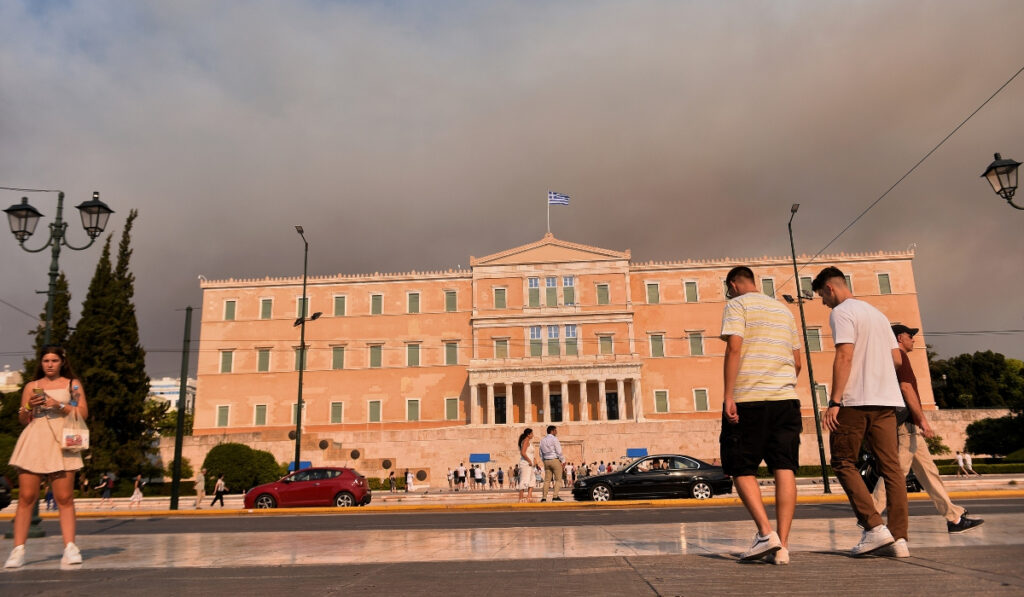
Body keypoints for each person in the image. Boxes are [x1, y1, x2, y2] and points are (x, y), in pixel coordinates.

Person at [813, 266, 909, 557]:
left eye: (821, 296)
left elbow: (844, 354)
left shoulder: (842, 312)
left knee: (843, 461)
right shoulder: (878, 315)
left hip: (855, 401)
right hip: (886, 401)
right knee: (892, 469)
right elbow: (896, 359)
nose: (823, 303)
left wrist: (835, 401)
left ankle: (874, 528)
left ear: (830, 288)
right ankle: (900, 539)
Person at [719, 266, 803, 564]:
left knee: (741, 467)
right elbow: (797, 361)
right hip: (786, 399)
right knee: (785, 468)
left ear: (734, 284)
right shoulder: (784, 311)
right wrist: (781, 384)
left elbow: (734, 349)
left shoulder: (736, 304)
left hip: (749, 399)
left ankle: (766, 534)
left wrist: (729, 395)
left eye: (729, 288)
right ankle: (782, 547)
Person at [871, 325, 984, 534]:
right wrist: (923, 420)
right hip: (906, 426)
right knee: (895, 473)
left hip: (908, 426)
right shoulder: (900, 358)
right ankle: (869, 515)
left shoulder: (891, 359)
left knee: (929, 473)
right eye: (909, 336)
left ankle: (954, 518)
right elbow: (906, 389)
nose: (913, 339)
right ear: (899, 337)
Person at [5, 345, 88, 569]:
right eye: (45, 361)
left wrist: (58, 405)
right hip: (35, 438)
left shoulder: (73, 384)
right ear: (40, 363)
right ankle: (18, 550)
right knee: (26, 497)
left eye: (54, 360)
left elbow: (82, 412)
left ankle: (70, 547)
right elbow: (23, 419)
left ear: (62, 362)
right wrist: (27, 407)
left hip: (63, 441)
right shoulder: (32, 386)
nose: (49, 364)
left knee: (64, 498)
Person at [539, 425, 566, 502]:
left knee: (547, 480)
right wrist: (563, 461)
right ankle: (555, 496)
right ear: (552, 431)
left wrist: (544, 460)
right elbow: (559, 451)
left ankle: (544, 498)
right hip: (554, 460)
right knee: (558, 479)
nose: (556, 432)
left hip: (546, 461)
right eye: (555, 430)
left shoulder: (542, 440)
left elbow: (540, 453)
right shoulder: (554, 439)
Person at [517, 428, 537, 502]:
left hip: (530, 464)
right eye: (531, 434)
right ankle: (521, 497)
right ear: (528, 435)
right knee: (524, 480)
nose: (533, 435)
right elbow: (523, 453)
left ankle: (529, 496)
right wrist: (529, 461)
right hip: (526, 464)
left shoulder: (528, 442)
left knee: (532, 479)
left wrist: (534, 460)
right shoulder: (525, 441)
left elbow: (530, 453)